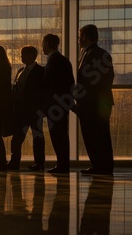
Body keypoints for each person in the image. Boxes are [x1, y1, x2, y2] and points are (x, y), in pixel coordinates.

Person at [75, 24, 115, 175]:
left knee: (93, 135)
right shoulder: (101, 53)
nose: (79, 40)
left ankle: (100, 166)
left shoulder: (90, 54)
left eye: (80, 36)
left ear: (84, 37)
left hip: (91, 104)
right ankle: (102, 166)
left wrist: (81, 99)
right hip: (100, 103)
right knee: (101, 135)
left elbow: (87, 82)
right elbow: (108, 78)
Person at [6, 46, 45, 171]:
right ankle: (14, 162)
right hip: (21, 111)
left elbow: (43, 91)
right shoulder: (20, 71)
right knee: (17, 139)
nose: (21, 57)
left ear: (30, 55)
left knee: (37, 138)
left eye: (23, 54)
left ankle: (39, 163)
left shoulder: (41, 71)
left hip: (35, 111)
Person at [42, 33, 74, 174]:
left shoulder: (53, 61)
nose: (42, 47)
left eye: (43, 43)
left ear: (47, 44)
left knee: (58, 136)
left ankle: (62, 165)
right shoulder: (63, 60)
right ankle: (62, 164)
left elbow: (52, 85)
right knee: (60, 135)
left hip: (55, 106)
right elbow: (69, 83)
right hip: (61, 104)